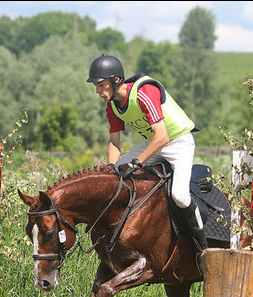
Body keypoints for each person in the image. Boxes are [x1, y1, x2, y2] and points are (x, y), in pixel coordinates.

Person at [86, 54, 207, 252]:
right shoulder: (112, 106)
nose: (98, 91)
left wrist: (135, 164)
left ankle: (202, 247)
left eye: (101, 85)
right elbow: (114, 142)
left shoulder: (144, 92)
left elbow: (163, 137)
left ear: (116, 80)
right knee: (114, 176)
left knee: (180, 196)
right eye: (96, 87)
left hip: (178, 142)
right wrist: (110, 169)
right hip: (152, 143)